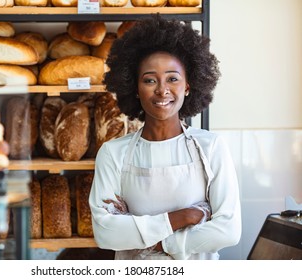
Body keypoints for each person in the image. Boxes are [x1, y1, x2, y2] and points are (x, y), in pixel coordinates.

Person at [88, 15, 242, 260]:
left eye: (173, 78)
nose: (162, 90)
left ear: (188, 86)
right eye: (149, 80)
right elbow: (106, 233)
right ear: (135, 89)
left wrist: (161, 242)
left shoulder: (211, 147)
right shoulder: (113, 152)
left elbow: (228, 231)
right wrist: (184, 217)